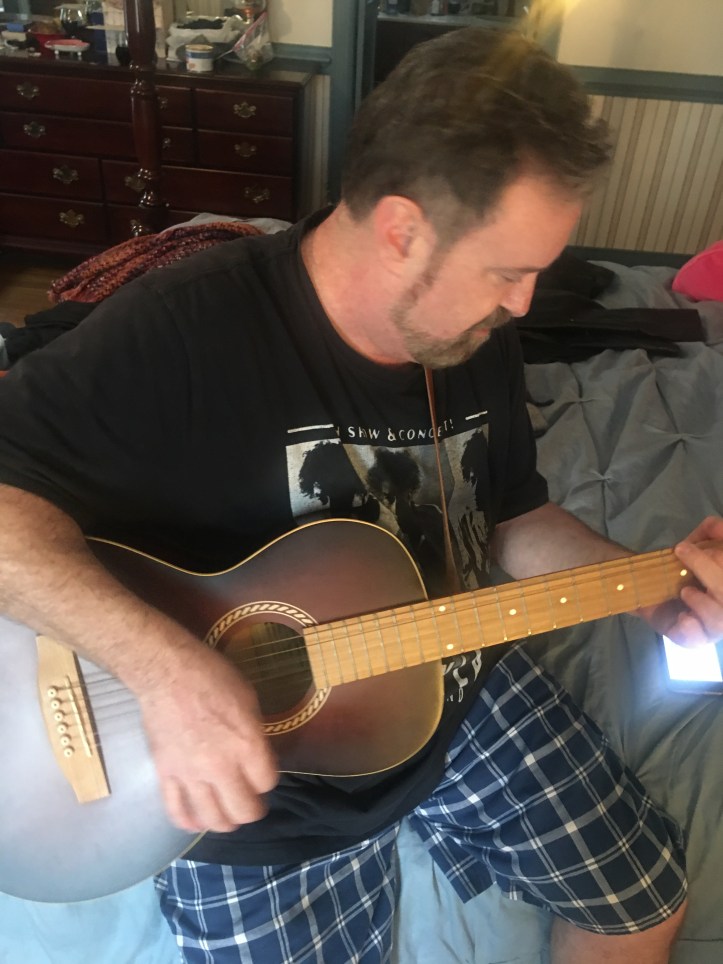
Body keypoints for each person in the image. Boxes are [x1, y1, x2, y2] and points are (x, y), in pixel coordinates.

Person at [0, 26, 721, 964]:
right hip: (260, 792)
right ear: (401, 230)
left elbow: (513, 517)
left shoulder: (474, 335)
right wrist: (167, 673)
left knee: (642, 901)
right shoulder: (186, 332)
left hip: (449, 675)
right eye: (508, 271)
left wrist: (652, 586)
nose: (522, 303)